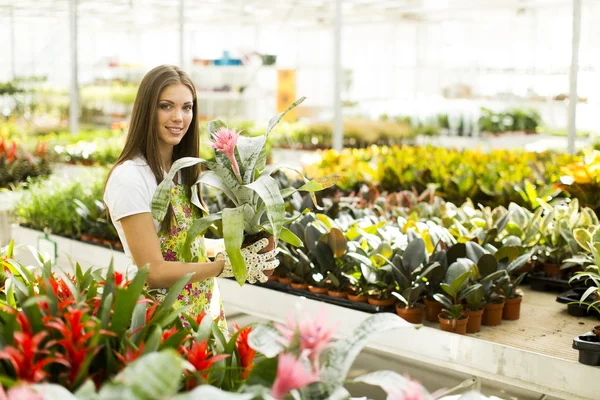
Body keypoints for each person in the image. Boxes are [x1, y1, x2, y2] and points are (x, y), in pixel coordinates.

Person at [103, 65, 278, 330]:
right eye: (166, 106)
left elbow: (187, 243)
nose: (179, 117)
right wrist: (224, 266)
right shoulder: (129, 178)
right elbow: (154, 273)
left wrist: (239, 249)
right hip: (162, 323)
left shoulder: (182, 171)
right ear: (145, 110)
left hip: (203, 315)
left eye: (187, 107)